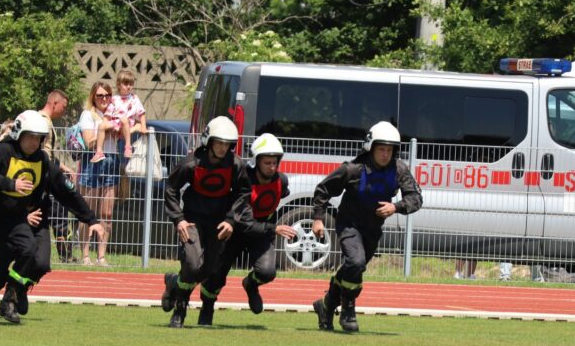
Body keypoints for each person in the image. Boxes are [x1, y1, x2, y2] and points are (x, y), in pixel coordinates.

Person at [0, 110, 104, 323]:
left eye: (38, 138)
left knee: (29, 250)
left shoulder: (42, 160)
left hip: (16, 219)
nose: (34, 142)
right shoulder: (3, 150)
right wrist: (10, 184)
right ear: (19, 133)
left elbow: (66, 192)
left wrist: (91, 219)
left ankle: (10, 299)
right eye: (30, 137)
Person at [311, 121, 423, 332]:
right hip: (349, 224)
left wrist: (396, 207)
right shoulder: (353, 169)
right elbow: (323, 190)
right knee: (356, 262)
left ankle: (325, 305)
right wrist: (318, 218)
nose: (385, 154)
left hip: (372, 230)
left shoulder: (399, 169)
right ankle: (348, 309)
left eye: (389, 150)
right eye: (381, 149)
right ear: (370, 147)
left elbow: (416, 197)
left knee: (354, 267)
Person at [159, 116, 251, 328]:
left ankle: (174, 282)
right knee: (192, 264)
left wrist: (231, 220)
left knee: (209, 270)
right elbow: (171, 189)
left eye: (227, 144)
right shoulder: (190, 163)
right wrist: (179, 219)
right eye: (219, 142)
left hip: (219, 223)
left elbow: (244, 193)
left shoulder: (236, 165)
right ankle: (179, 311)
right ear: (208, 141)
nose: (223, 148)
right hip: (192, 220)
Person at [197, 133, 296, 325]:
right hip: (235, 232)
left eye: (275, 162)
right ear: (256, 161)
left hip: (261, 233)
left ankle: (250, 285)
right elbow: (245, 222)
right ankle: (207, 307)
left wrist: (269, 227)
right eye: (267, 163)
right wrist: (274, 228)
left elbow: (279, 195)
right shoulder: (244, 182)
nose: (272, 167)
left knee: (267, 272)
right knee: (216, 275)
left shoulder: (281, 181)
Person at [77, 82, 120, 266]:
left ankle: (101, 256)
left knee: (107, 213)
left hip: (112, 160)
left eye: (107, 95)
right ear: (93, 97)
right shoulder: (88, 114)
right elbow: (88, 142)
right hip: (92, 161)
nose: (104, 99)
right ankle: (85, 256)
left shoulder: (115, 113)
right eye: (100, 95)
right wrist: (104, 130)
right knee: (88, 211)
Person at [37, 89, 78, 263]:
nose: (64, 111)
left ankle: (65, 254)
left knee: (58, 215)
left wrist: (64, 168)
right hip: (42, 177)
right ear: (54, 103)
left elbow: (49, 154)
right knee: (58, 216)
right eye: (64, 106)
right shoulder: (43, 123)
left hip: (46, 174)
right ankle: (65, 255)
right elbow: (41, 154)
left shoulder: (44, 120)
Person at [111, 70, 148, 202]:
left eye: (131, 84)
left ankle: (124, 195)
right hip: (117, 129)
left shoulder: (134, 98)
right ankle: (120, 194)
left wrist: (143, 126)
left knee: (125, 166)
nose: (129, 87)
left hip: (127, 133)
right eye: (126, 84)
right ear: (118, 84)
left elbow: (141, 113)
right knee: (118, 166)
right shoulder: (114, 99)